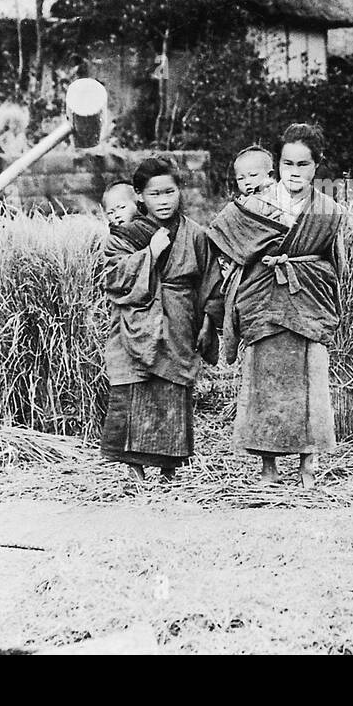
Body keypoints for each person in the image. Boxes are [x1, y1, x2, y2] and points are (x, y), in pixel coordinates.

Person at [207, 124, 346, 488]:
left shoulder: (328, 210)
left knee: (309, 382)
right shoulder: (254, 205)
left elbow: (336, 264)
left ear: (317, 165)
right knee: (264, 384)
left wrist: (309, 273)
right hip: (263, 301)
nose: (295, 172)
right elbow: (225, 238)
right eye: (287, 164)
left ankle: (308, 464)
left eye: (304, 164)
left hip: (307, 303)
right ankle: (267, 466)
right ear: (277, 165)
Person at [100, 156, 219, 486]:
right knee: (134, 387)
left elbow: (210, 281)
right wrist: (150, 253)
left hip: (179, 318)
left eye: (169, 192)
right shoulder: (123, 235)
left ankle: (168, 467)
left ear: (180, 190)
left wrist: (208, 320)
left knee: (171, 391)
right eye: (154, 194)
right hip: (134, 320)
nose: (163, 201)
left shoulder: (195, 234)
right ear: (139, 196)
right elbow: (113, 277)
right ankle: (134, 467)